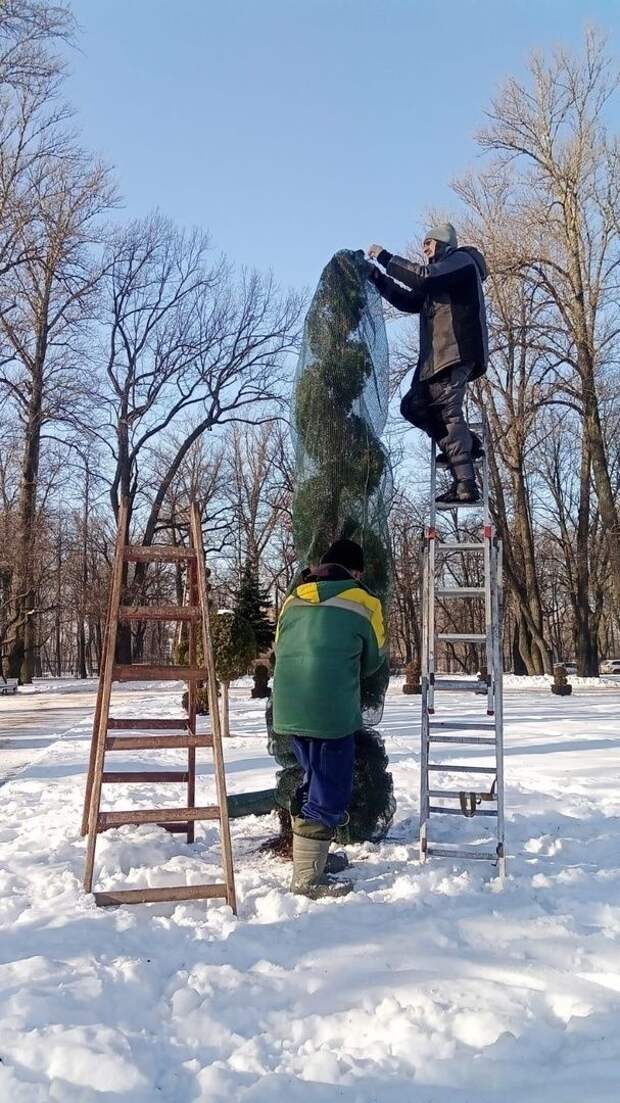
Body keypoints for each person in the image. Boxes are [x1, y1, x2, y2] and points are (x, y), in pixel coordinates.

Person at [272, 538, 385, 899]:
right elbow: (374, 660)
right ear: (356, 572)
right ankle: (307, 878)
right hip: (330, 712)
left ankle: (312, 861)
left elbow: (279, 647)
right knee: (330, 791)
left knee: (312, 780)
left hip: (288, 708)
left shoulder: (293, 598)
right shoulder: (365, 602)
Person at [366, 223, 488, 505]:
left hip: (453, 350)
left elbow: (423, 278)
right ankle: (466, 445)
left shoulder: (461, 261)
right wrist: (376, 277)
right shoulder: (440, 278)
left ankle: (466, 485)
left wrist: (385, 258)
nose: (424, 248)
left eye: (429, 243)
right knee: (412, 406)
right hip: (436, 357)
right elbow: (409, 300)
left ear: (445, 243)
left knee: (447, 413)